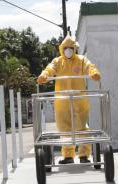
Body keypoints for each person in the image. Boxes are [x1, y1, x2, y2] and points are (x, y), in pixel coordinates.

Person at [37, 36, 101, 164]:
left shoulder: (81, 60)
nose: (68, 50)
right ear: (62, 49)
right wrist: (44, 75)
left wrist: (94, 72)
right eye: (65, 48)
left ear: (74, 48)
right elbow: (50, 69)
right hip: (62, 100)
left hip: (79, 99)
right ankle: (68, 156)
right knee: (64, 128)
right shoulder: (57, 61)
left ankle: (84, 155)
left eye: (70, 48)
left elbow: (89, 66)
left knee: (81, 127)